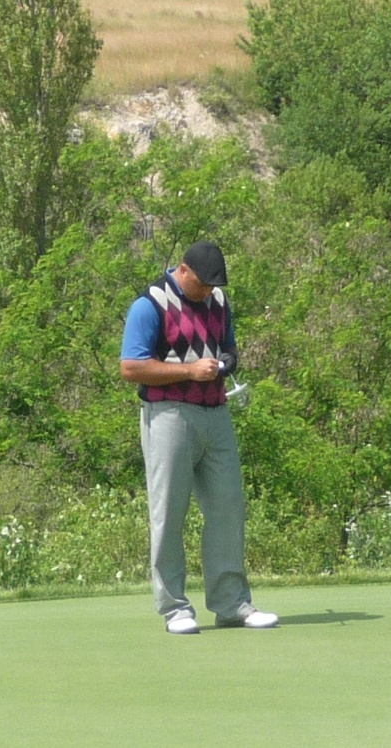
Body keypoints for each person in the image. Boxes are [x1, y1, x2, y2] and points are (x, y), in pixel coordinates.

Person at [119, 241, 277, 635]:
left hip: (216, 413)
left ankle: (231, 604)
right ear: (184, 271)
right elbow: (131, 367)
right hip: (168, 415)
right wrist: (190, 371)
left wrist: (225, 363)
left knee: (227, 509)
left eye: (213, 286)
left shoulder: (219, 300)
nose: (208, 292)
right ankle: (175, 608)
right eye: (203, 285)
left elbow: (230, 348)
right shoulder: (150, 303)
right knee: (169, 513)